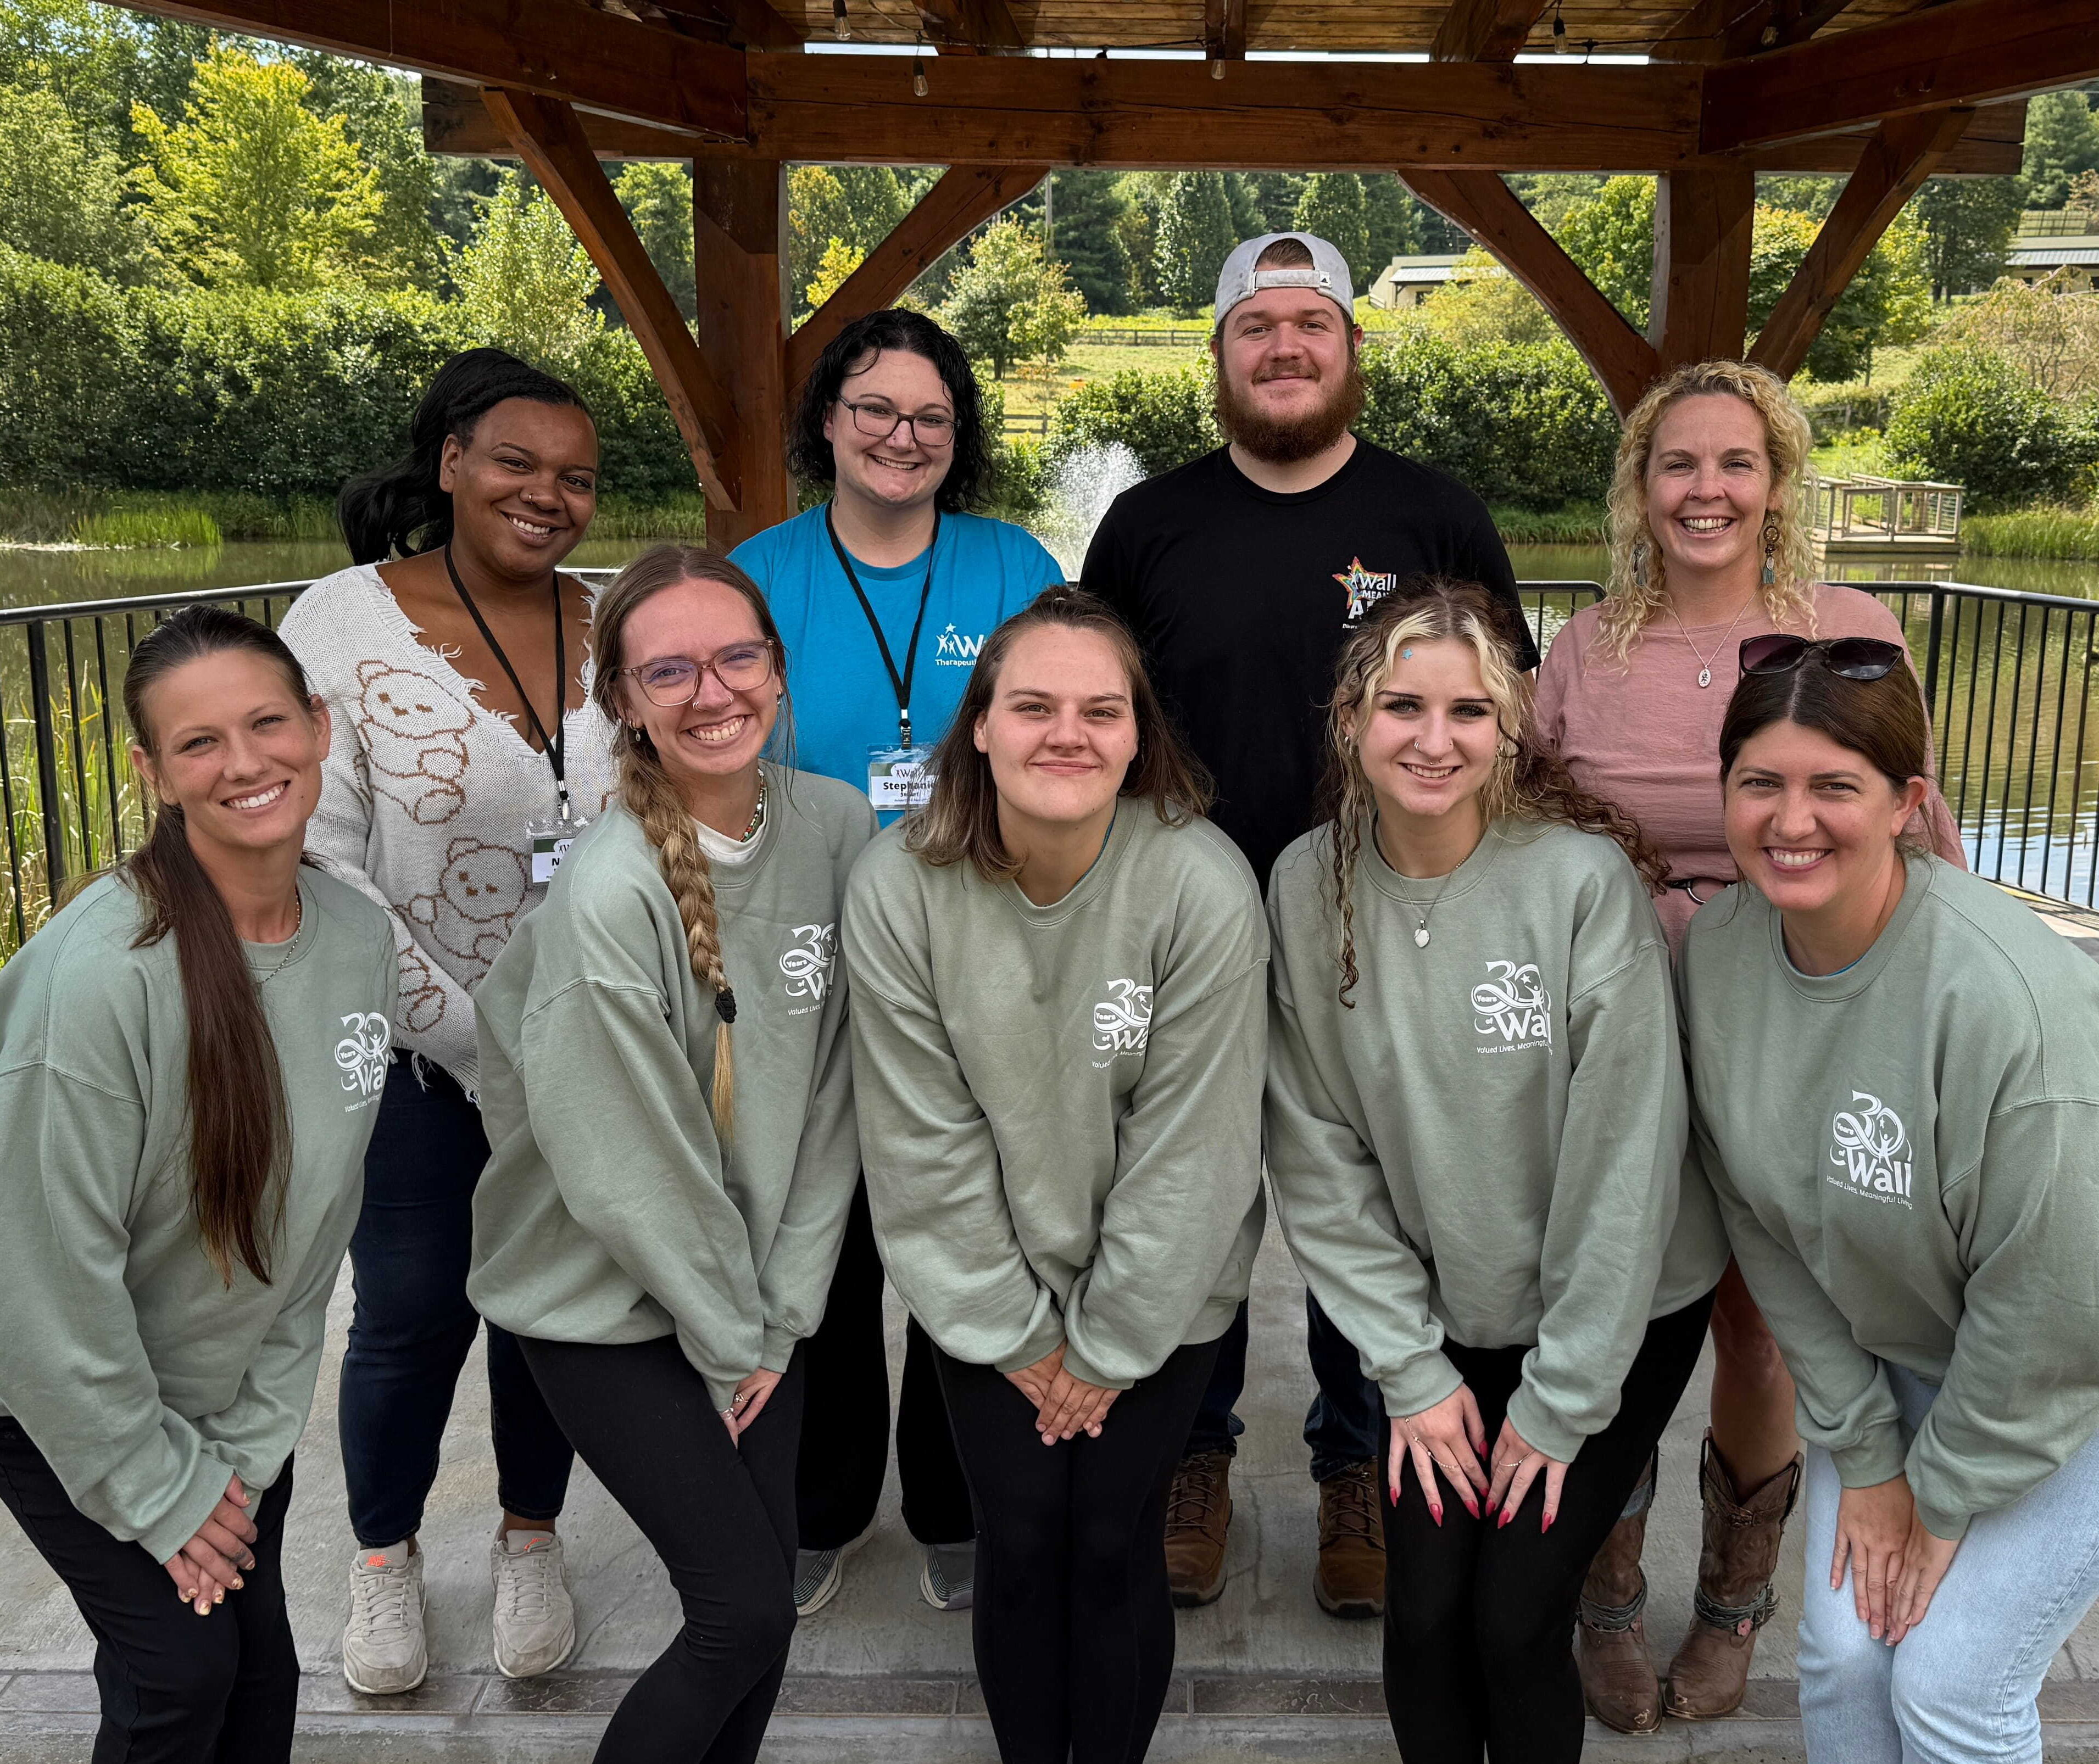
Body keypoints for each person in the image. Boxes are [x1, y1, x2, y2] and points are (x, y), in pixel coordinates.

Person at [1082, 231, 1537, 1617]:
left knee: (1381, 1196)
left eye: (1312, 326)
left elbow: (1502, 722)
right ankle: (1190, 1456)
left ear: (1351, 348)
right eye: (1256, 328)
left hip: (1381, 923)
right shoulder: (1149, 524)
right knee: (1187, 1194)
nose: (1285, 348)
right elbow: (1094, 725)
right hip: (1188, 929)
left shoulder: (1434, 517)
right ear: (1218, 356)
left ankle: (1359, 1460)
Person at [1531, 358, 1967, 1729]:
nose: (1705, 489)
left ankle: (1730, 1603)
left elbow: (1907, 823)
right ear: (1640, 488)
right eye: (1678, 464)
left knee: (1766, 1323)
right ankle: (1604, 1590)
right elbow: (1526, 835)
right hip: (1623, 1020)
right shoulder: (1584, 647)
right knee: (1606, 1302)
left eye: (1736, 462)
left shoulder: (1848, 628)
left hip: (1795, 1011)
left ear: (1777, 480)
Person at [1265, 578, 1727, 1762]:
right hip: (1444, 1313)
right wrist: (1411, 1371)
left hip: (1615, 1308)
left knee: (1516, 1613)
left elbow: (1626, 1160)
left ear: (1512, 723)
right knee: (1423, 1613)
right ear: (1351, 718)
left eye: (1469, 710)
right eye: (1402, 705)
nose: (1434, 738)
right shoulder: (1304, 883)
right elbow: (1317, 1152)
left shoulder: (1578, 883)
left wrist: (1563, 1397)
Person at [844, 588, 1267, 1764]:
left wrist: (1111, 1341)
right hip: (990, 1283)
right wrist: (1017, 1333)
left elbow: (1200, 1147)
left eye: (1100, 709)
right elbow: (923, 1141)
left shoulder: (1200, 884)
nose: (1065, 733)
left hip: (1162, 1290)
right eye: (1032, 705)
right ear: (978, 724)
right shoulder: (899, 887)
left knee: (1112, 1536)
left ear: (1139, 734)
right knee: (1023, 1535)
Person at [469, 546, 870, 1764]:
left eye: (737, 655)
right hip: (605, 1299)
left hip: (757, 1297)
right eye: (670, 670)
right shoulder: (611, 893)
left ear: (779, 667)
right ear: (626, 701)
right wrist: (734, 1331)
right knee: (739, 1606)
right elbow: (622, 1165)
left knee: (760, 1625)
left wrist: (785, 1306)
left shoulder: (837, 825)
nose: (713, 690)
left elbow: (836, 1097)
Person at [1680, 637, 2099, 1764]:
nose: (1792, 820)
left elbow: (2058, 1303)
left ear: (1911, 803)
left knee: (1953, 1684)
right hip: (1914, 1356)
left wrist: (1941, 1495)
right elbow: (1761, 1218)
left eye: (1835, 787)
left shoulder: (2011, 1000)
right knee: (1847, 1657)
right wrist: (1867, 1456)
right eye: (1760, 782)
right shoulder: (1721, 950)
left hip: (2069, 1381)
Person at [278, 348, 618, 1694]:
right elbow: (327, 861)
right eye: (518, 464)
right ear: (451, 464)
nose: (549, 495)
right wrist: (482, 1038)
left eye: (578, 477)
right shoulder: (341, 623)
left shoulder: (607, 618)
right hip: (423, 1054)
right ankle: (385, 1556)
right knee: (410, 1309)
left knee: (553, 1313)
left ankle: (532, 1536)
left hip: (589, 1052)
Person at [0, 608, 397, 1762]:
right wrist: (160, 1490)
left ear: (320, 729)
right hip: (57, 1387)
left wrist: (247, 1447)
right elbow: (40, 1285)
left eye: (270, 722)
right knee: (180, 1674)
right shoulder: (95, 983)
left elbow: (313, 1234)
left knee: (255, 1670)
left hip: (221, 1397)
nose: (246, 763)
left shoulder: (354, 936)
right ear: (152, 772)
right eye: (200, 743)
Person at [731, 308, 1064, 1616]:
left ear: (958, 437)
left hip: (973, 949)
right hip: (804, 951)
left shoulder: (1010, 563)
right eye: (873, 408)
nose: (901, 436)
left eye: (929, 416)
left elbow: (1069, 727)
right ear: (827, 420)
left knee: (962, 1229)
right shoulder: (761, 572)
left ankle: (952, 1501)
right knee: (822, 1238)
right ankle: (816, 1504)